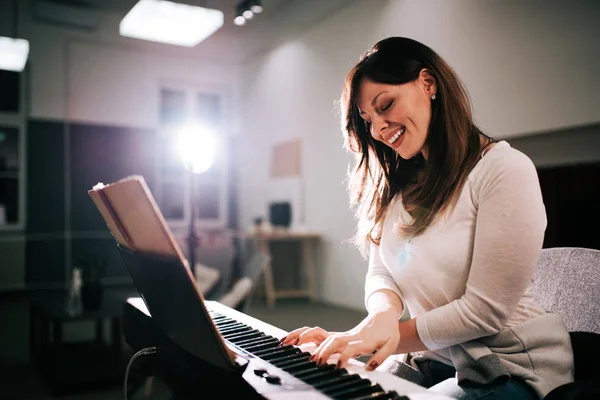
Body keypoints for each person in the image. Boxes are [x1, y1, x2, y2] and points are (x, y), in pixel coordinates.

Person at [279, 37, 574, 400]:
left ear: (428, 84)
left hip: (508, 365)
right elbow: (382, 272)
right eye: (368, 120)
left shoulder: (504, 169)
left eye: (385, 105)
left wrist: (374, 336)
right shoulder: (399, 188)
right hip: (434, 357)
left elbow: (484, 313)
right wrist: (381, 316)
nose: (377, 129)